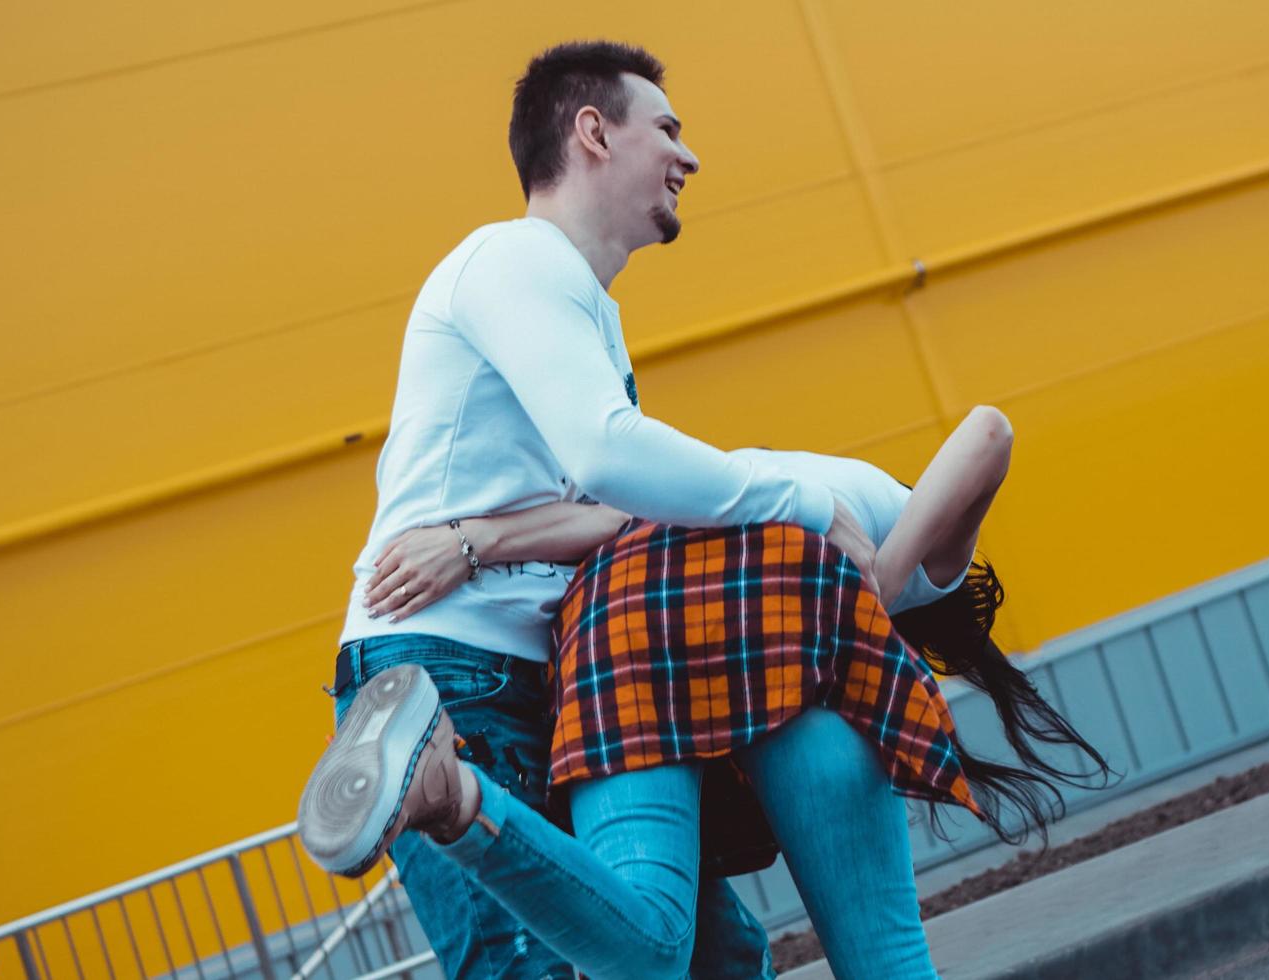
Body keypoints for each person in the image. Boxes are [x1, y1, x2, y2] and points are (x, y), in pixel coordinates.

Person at [311, 39, 886, 980]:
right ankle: (436, 786)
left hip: (563, 680)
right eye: (667, 128)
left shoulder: (582, 309)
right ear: (592, 133)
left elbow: (619, 513)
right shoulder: (512, 259)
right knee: (532, 969)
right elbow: (609, 455)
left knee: (715, 956)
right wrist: (802, 499)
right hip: (448, 674)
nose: (688, 157)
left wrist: (479, 537)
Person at [302, 407, 1117, 979]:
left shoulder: (743, 479)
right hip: (744, 613)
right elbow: (990, 431)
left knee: (655, 937)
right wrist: (875, 592)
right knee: (886, 960)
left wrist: (471, 544)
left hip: (617, 614)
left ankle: (457, 794)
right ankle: (461, 801)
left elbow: (608, 514)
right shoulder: (911, 559)